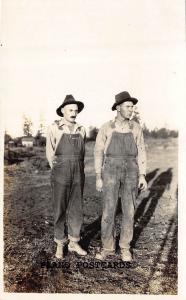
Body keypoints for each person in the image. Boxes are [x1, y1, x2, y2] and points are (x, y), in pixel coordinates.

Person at [94, 91, 147, 262]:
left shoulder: (136, 128)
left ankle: (125, 247)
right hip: (110, 170)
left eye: (132, 107)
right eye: (128, 106)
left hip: (131, 169)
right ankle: (108, 247)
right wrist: (98, 176)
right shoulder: (106, 127)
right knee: (109, 210)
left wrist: (142, 175)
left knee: (129, 211)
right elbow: (98, 152)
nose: (131, 110)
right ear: (118, 108)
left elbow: (142, 152)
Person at [46, 95, 87, 259]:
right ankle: (60, 242)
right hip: (60, 170)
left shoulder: (81, 129)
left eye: (76, 110)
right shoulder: (55, 127)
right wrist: (57, 169)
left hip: (78, 169)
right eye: (70, 110)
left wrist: (78, 168)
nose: (74, 113)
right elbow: (50, 152)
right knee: (60, 207)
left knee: (76, 207)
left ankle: (74, 241)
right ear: (62, 111)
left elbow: (82, 153)